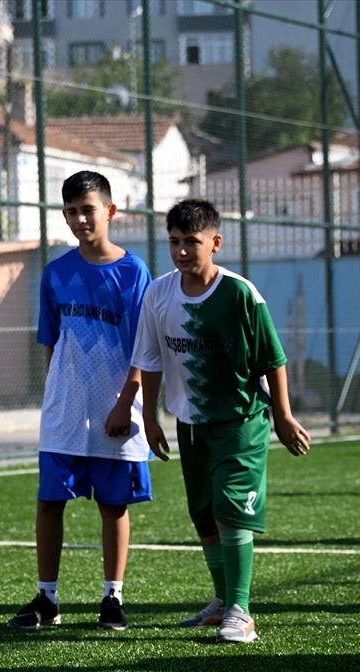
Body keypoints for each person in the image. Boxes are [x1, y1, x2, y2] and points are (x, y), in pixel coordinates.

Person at [130, 198, 310, 643]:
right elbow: (149, 360)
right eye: (174, 242)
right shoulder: (158, 293)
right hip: (189, 424)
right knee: (205, 514)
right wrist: (151, 419)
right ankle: (221, 601)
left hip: (240, 421)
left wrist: (283, 416)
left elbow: (273, 358)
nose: (181, 251)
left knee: (231, 509)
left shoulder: (241, 293)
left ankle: (241, 611)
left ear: (216, 242)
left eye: (191, 242)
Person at [6, 171, 153, 633]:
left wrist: (124, 402)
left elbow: (143, 348)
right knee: (50, 501)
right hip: (65, 413)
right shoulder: (56, 272)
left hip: (116, 409)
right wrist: (57, 399)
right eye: (70, 211)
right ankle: (46, 599)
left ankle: (113, 597)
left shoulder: (134, 272)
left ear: (110, 211)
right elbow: (51, 344)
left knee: (114, 506)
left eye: (87, 209)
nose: (79, 218)